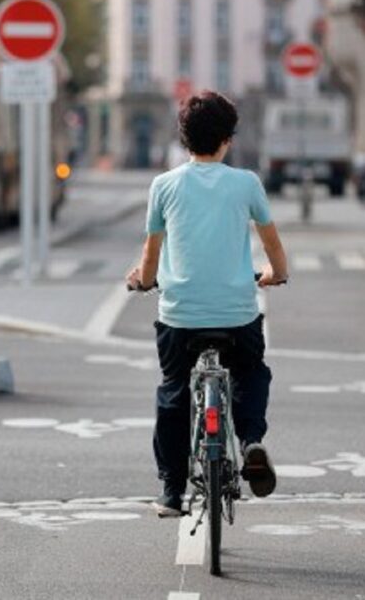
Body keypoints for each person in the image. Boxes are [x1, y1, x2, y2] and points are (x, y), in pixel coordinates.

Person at [126, 90, 289, 517]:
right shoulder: (246, 183)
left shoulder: (163, 185)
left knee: (174, 390)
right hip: (237, 312)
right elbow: (272, 243)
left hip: (180, 315)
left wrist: (142, 282)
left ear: (184, 139)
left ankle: (170, 492)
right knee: (251, 371)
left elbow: (150, 256)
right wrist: (277, 274)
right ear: (227, 139)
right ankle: (251, 439)